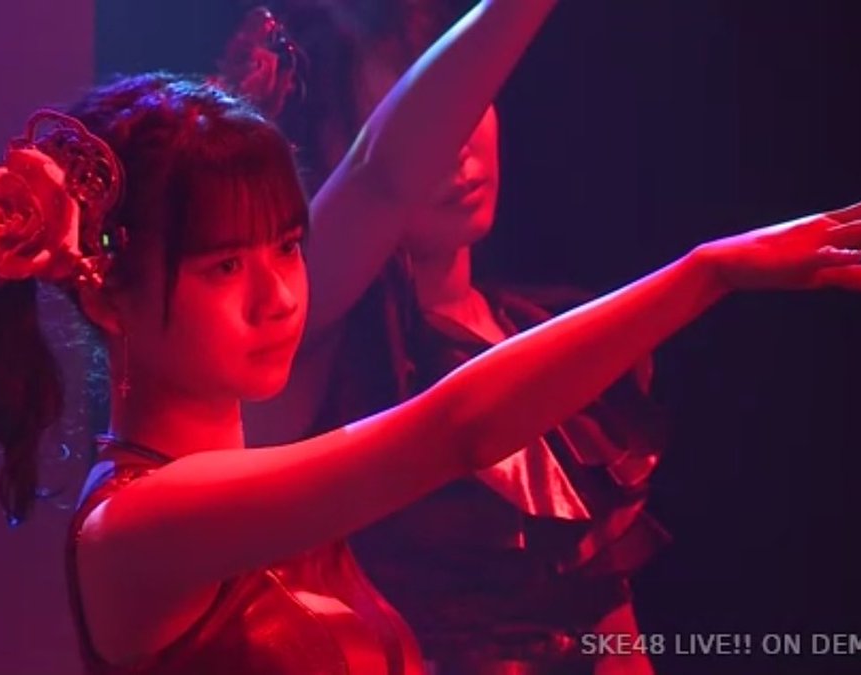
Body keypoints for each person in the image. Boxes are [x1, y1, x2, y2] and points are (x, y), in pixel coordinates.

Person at [0, 67, 861, 675]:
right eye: (224, 267)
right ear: (109, 298)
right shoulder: (139, 526)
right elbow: (454, 429)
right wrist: (703, 274)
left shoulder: (264, 479)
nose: (280, 295)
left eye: (287, 247)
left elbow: (384, 172)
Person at [231, 2, 668, 671]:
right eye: (430, 127)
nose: (456, 149)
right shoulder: (311, 344)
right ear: (330, 152)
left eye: (472, 108)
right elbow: (381, 177)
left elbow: (612, 626)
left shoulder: (548, 329)